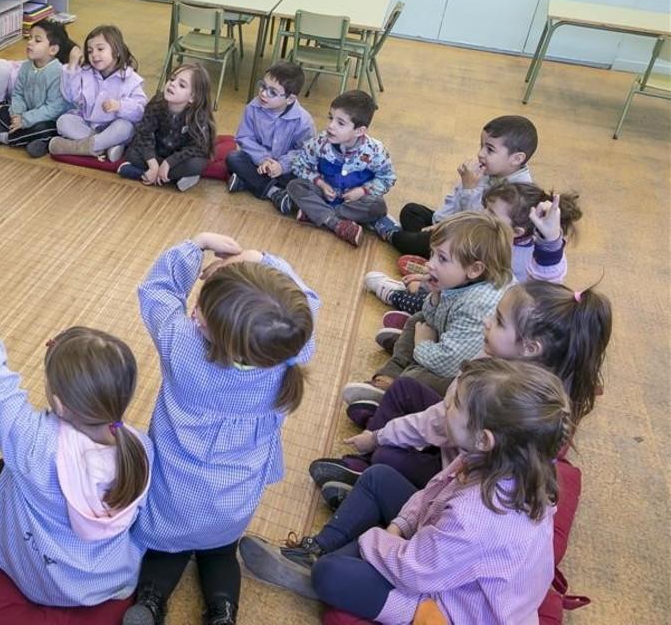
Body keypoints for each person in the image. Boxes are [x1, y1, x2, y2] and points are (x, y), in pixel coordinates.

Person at [240, 359, 569, 625]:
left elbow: (415, 572)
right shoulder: (489, 461)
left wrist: (376, 538)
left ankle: (316, 568)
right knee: (379, 477)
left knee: (332, 574)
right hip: (440, 559)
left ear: (485, 438)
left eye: (454, 404)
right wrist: (399, 526)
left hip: (450, 607)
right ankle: (318, 549)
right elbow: (432, 494)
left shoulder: (478, 516)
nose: (446, 405)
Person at [125, 233, 320, 625]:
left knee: (168, 549)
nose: (193, 312)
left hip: (172, 494)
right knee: (220, 553)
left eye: (200, 310)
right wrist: (260, 257)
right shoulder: (288, 353)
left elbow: (156, 290)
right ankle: (223, 612)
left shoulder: (182, 345)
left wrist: (195, 246)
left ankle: (150, 601)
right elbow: (306, 305)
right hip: (234, 500)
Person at [0, 243, 153, 606]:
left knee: (4, 470)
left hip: (35, 578)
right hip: (105, 580)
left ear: (58, 402)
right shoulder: (141, 448)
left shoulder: (32, 442)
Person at [313, 280, 612, 497]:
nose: (486, 321)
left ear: (530, 347)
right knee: (405, 388)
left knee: (386, 457)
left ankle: (367, 469)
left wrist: (380, 437)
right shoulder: (514, 360)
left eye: (497, 321)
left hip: (454, 472)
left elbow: (439, 422)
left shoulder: (504, 394)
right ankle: (371, 449)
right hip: (451, 434)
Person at [342, 211, 512, 403]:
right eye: (432, 254)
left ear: (475, 269)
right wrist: (436, 295)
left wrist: (422, 344)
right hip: (455, 347)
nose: (430, 264)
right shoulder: (464, 281)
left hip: (473, 380)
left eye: (442, 258)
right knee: (418, 320)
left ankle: (395, 387)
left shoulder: (480, 305)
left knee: (415, 378)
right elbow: (431, 317)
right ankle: (395, 369)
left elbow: (448, 365)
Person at [366, 185, 579, 315]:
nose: (483, 213)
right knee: (413, 215)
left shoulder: (523, 259)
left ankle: (395, 295)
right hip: (471, 290)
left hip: (483, 306)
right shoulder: (494, 237)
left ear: (516, 231)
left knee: (429, 302)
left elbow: (544, 283)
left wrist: (550, 241)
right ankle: (425, 285)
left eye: (491, 212)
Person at [382, 115, 538, 257]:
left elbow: (479, 226)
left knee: (411, 240)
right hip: (455, 224)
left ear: (516, 159)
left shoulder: (517, 194)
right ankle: (433, 255)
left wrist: (469, 189)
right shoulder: (490, 168)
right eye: (481, 145)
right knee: (411, 211)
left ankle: (392, 234)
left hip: (472, 241)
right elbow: (452, 201)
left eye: (490, 149)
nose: (481, 153)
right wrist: (442, 224)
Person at [287, 90, 396, 247]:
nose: (330, 126)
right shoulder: (320, 142)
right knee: (294, 186)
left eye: (340, 123)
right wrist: (321, 184)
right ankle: (335, 223)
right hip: (324, 195)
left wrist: (362, 191)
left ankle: (317, 214)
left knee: (378, 206)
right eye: (331, 118)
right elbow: (299, 165)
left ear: (360, 131)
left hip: (353, 202)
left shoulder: (375, 151)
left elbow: (387, 178)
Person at [0, 19, 73, 157]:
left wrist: (24, 120)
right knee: (2, 110)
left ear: (53, 49)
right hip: (26, 115)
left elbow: (53, 109)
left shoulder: (58, 73)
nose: (30, 42)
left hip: (47, 119)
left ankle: (4, 138)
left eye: (37, 40)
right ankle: (29, 139)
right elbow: (18, 94)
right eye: (30, 38)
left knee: (46, 130)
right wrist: (17, 114)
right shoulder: (26, 66)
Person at [46, 25, 147, 160]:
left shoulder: (131, 79)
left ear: (117, 51)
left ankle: (79, 148)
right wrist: (72, 66)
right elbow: (70, 96)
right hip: (89, 127)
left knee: (125, 128)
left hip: (114, 127)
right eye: (90, 51)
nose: (94, 55)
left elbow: (141, 111)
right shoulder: (86, 73)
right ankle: (105, 146)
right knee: (63, 121)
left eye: (100, 49)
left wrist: (120, 106)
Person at [225, 62, 316, 212]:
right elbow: (244, 137)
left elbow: (305, 152)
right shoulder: (252, 108)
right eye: (262, 86)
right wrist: (263, 159)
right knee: (233, 158)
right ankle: (274, 193)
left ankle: (247, 182)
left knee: (303, 179)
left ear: (290, 99)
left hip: (285, 169)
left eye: (272, 92)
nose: (263, 93)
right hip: (258, 163)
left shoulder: (303, 121)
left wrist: (281, 165)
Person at [116, 63, 215, 192]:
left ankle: (140, 174)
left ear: (193, 97)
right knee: (132, 153)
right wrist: (152, 164)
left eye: (182, 85)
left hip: (178, 158)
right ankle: (172, 177)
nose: (172, 84)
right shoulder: (157, 103)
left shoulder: (198, 116)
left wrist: (169, 162)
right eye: (172, 79)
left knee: (197, 164)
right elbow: (144, 134)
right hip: (156, 153)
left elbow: (198, 147)